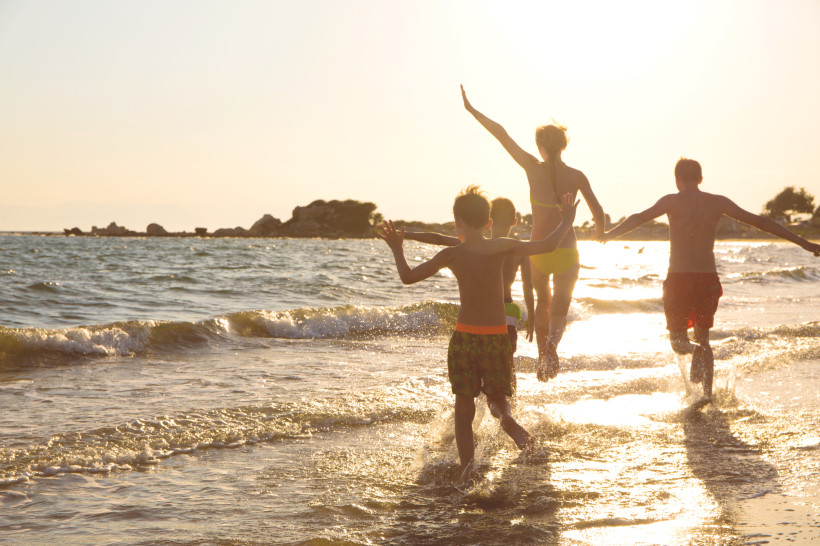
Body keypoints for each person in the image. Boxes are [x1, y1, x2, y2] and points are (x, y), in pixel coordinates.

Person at [377, 186, 578, 480]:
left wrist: (397, 248)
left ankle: (468, 469)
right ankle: (506, 418)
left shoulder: (452, 254)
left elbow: (408, 277)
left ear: (457, 223)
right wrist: (567, 220)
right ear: (488, 223)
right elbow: (547, 245)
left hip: (465, 336)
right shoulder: (502, 246)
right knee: (497, 397)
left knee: (463, 404)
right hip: (497, 336)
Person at [601, 158, 820, 400]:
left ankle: (692, 354)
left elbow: (638, 217)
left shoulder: (671, 201)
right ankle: (707, 397)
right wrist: (805, 243)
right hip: (707, 278)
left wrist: (609, 235)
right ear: (701, 179)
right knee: (704, 339)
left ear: (677, 180)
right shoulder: (717, 203)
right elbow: (762, 223)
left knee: (677, 341)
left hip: (679, 278)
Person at [461, 85, 606, 381]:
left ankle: (543, 357)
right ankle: (552, 349)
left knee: (543, 303)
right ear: (564, 145)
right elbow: (598, 212)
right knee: (560, 308)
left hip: (539, 250)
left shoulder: (531, 167)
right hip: (568, 249)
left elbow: (501, 134)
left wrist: (472, 110)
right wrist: (600, 233)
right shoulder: (576, 175)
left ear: (540, 145)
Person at [403, 196, 535, 354]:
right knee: (505, 362)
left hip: (480, 311)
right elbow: (528, 287)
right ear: (514, 222)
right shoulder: (517, 251)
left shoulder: (475, 245)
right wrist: (532, 317)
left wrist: (404, 235)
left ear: (488, 220)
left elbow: (437, 238)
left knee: (477, 355)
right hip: (507, 311)